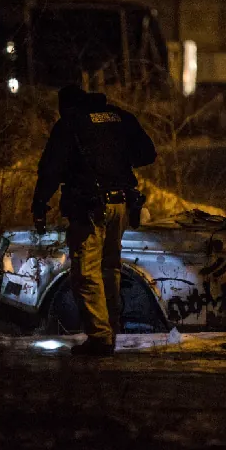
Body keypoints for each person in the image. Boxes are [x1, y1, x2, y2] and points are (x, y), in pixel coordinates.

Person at [32, 86, 156, 356]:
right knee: (110, 268)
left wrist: (39, 204)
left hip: (89, 209)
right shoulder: (119, 117)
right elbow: (148, 153)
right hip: (122, 205)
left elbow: (50, 169)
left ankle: (100, 337)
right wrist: (116, 159)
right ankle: (111, 327)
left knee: (86, 272)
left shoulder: (70, 124)